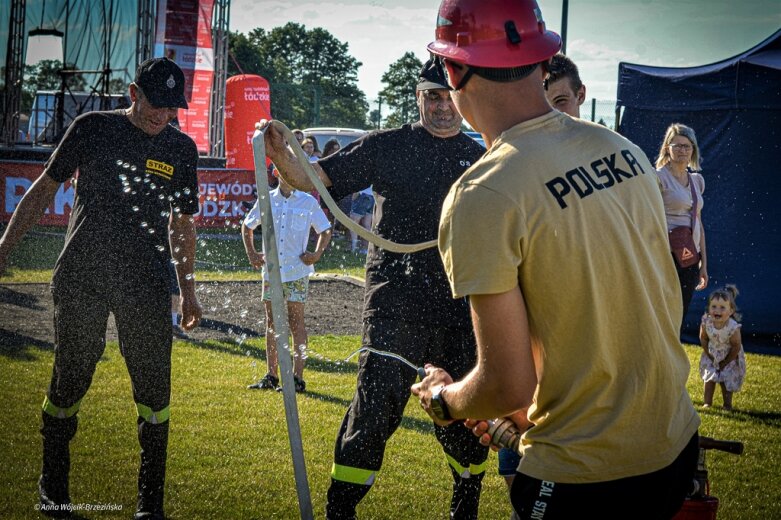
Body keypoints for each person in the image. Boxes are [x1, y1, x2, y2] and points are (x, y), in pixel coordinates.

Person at [412, 2, 700, 519]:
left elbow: (505, 383)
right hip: (673, 447)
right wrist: (532, 408)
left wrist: (444, 399)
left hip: (581, 477)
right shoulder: (624, 151)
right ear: (544, 61)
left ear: (455, 70)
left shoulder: (483, 193)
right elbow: (631, 306)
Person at [258, 57, 489, 519]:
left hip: (463, 308)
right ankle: (339, 511)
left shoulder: (484, 155)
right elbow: (314, 178)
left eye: (450, 97)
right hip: (395, 303)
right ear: (418, 97)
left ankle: (466, 505)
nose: (443, 107)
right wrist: (280, 153)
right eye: (432, 97)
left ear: (464, 99)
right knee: (374, 410)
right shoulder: (388, 146)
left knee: (464, 419)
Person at [0, 57, 203, 519]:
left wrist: (188, 289)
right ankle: (54, 491)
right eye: (155, 104)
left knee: (154, 393)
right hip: (82, 276)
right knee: (70, 380)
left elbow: (183, 225)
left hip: (146, 283)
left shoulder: (181, 150)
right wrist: (4, 248)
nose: (162, 115)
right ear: (133, 93)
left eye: (172, 108)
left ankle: (150, 506)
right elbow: (43, 190)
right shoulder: (93, 127)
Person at [496, 50, 587, 508]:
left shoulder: (605, 162)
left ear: (582, 98)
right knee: (518, 479)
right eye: (543, 101)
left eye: (563, 101)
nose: (552, 113)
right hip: (527, 356)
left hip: (577, 368)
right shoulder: (515, 168)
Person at [242, 170, 332, 393]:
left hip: (296, 272)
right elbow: (247, 226)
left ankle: (297, 378)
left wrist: (316, 254)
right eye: (283, 171)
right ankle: (271, 375)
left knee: (295, 323)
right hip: (271, 272)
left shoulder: (308, 201)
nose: (288, 175)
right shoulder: (267, 199)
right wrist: (252, 254)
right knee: (272, 323)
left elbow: (325, 230)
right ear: (276, 173)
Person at [655, 123, 708, 324]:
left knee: (680, 314)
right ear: (667, 148)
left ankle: (671, 355)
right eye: (677, 145)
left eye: (686, 146)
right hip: (664, 254)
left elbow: (699, 224)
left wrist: (703, 264)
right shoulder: (658, 177)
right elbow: (649, 217)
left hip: (690, 257)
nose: (682, 150)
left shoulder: (697, 180)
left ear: (693, 149)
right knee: (663, 313)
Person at [699, 285, 745, 411]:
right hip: (712, 352)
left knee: (726, 380)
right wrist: (708, 353)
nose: (717, 311)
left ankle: (727, 405)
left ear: (731, 311)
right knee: (709, 379)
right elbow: (703, 338)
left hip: (729, 355)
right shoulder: (706, 322)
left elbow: (736, 346)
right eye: (713, 307)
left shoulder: (733, 327)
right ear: (708, 308)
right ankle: (707, 402)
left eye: (722, 308)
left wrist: (725, 362)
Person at [349, 187, 374, 254]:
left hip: (362, 196)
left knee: (353, 223)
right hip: (372, 196)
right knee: (367, 225)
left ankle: (353, 248)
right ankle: (365, 249)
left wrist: (354, 196)